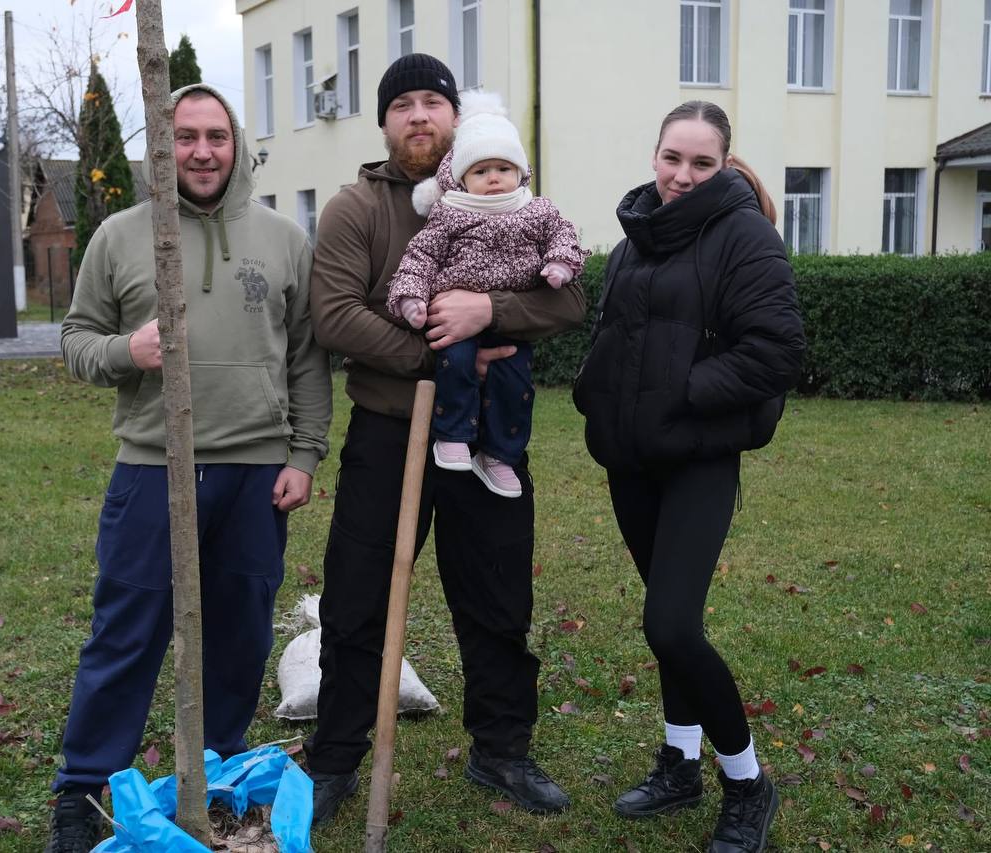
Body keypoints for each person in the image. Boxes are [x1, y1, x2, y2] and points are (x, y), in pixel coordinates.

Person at [46, 83, 333, 853]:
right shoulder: (117, 235)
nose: (201, 151)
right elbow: (75, 338)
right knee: (127, 630)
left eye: (216, 136)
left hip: (255, 472)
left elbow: (307, 357)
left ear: (235, 143)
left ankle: (216, 765)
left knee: (239, 631)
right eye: (185, 137)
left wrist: (303, 454)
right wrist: (123, 352)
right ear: (161, 148)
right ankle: (82, 789)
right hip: (152, 467)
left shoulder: (281, 239)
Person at [303, 53, 586, 825]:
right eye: (404, 104)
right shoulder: (356, 209)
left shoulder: (509, 194)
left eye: (434, 101)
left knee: (497, 595)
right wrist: (434, 347)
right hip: (390, 435)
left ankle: (502, 748)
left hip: (488, 437)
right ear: (385, 120)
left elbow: (567, 301)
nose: (420, 116)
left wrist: (486, 313)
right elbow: (335, 316)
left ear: (458, 116)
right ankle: (333, 760)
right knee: (358, 599)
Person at [572, 100, 805, 853]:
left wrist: (682, 393)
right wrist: (595, 391)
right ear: (654, 155)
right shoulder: (639, 232)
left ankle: (747, 783)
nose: (682, 175)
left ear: (725, 165)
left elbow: (775, 351)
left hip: (699, 458)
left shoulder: (745, 236)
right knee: (671, 629)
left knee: (669, 623)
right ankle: (679, 762)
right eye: (673, 157)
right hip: (634, 461)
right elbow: (617, 335)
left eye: (702, 163)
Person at [386, 91, 589, 498]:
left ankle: (499, 454)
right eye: (481, 171)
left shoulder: (534, 209)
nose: (494, 178)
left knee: (515, 384)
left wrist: (560, 264)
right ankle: (453, 436)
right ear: (461, 179)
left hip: (511, 323)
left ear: (520, 172)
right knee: (456, 366)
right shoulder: (451, 213)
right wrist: (411, 296)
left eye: (502, 168)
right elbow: (421, 255)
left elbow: (563, 234)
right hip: (455, 322)